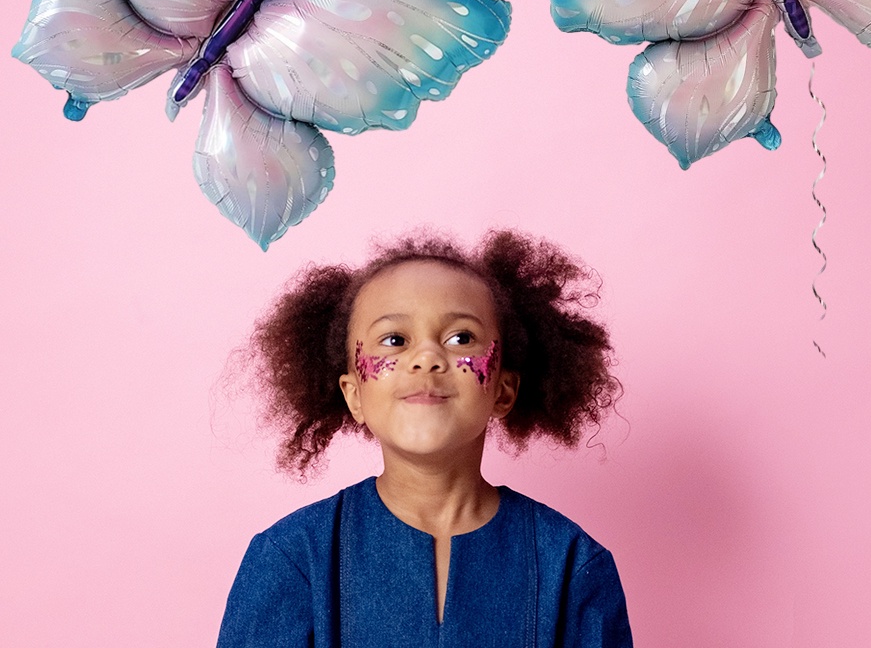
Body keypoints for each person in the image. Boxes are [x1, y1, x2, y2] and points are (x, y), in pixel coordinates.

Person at [217, 228, 633, 647]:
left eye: (460, 338)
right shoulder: (290, 559)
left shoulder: (573, 564)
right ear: (354, 395)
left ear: (503, 391)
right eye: (395, 340)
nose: (427, 359)